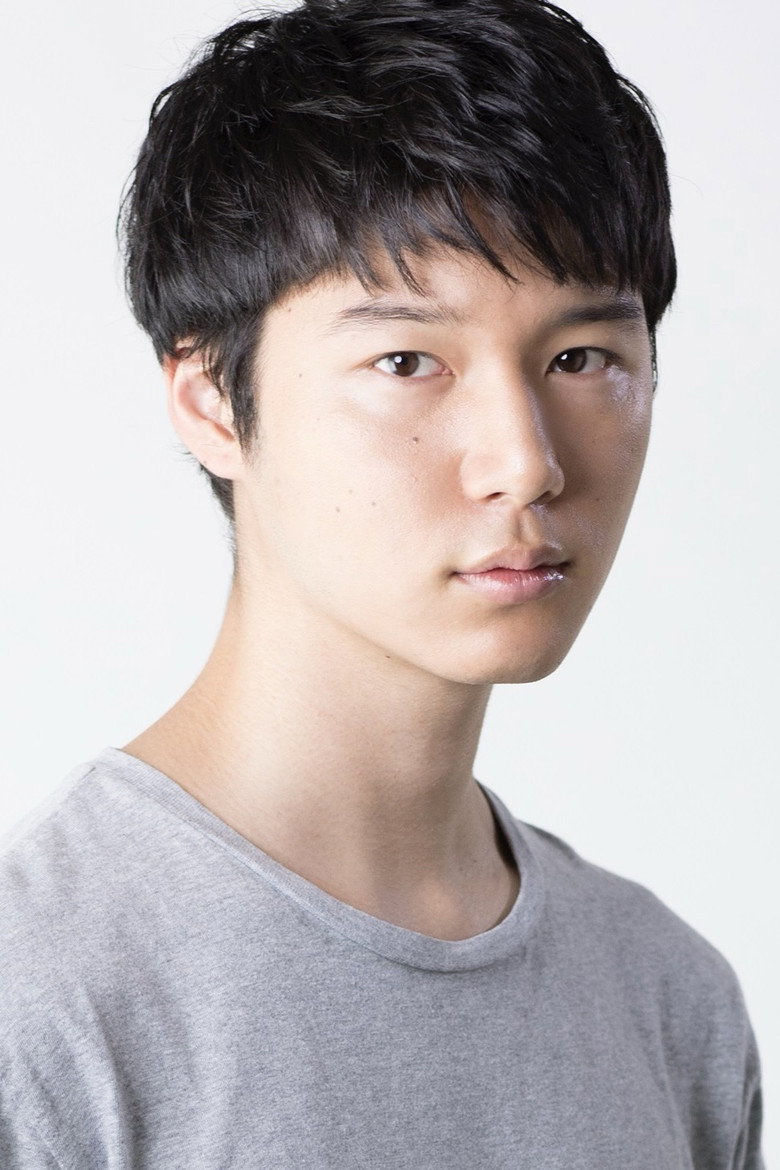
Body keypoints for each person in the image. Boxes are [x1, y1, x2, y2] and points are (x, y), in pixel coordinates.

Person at [0, 0, 765, 1164]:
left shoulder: (670, 1003)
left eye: (580, 357)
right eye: (407, 360)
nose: (525, 462)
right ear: (211, 403)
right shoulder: (45, 1004)